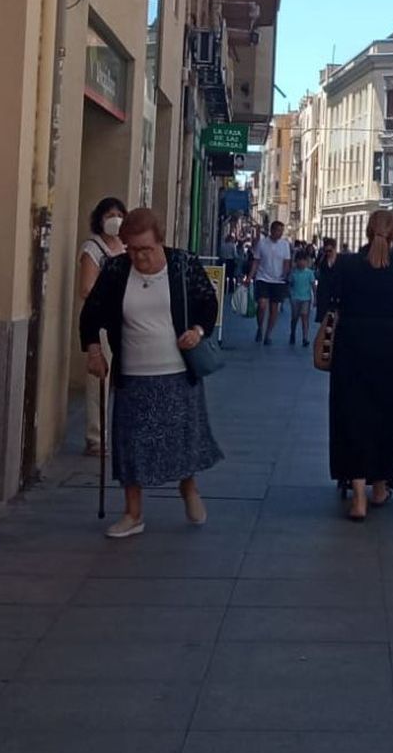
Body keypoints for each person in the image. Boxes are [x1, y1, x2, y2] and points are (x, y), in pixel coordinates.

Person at [80, 208, 223, 538]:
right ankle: (133, 513)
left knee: (181, 439)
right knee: (131, 446)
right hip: (133, 374)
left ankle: (188, 488)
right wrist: (94, 349)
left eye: (147, 249)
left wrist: (198, 331)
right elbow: (92, 314)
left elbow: (208, 303)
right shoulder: (116, 270)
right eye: (132, 249)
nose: (140, 257)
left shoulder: (183, 264)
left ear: (161, 242)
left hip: (176, 370)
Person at [322, 211, 393, 521]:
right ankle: (380, 486)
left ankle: (358, 496)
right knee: (386, 415)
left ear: (366, 231)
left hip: (351, 345)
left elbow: (326, 301)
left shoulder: (347, 264)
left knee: (352, 415)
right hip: (388, 345)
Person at [78, 197, 127, 457]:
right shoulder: (93, 248)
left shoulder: (126, 246)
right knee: (100, 379)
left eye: (119, 213)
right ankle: (96, 437)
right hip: (102, 323)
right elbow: (86, 288)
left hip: (126, 321)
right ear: (99, 218)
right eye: (109, 214)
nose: (115, 218)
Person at [248, 220, 292, 344]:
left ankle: (268, 334)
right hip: (263, 278)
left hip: (278, 281)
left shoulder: (284, 245)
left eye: (281, 231)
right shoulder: (262, 244)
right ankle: (260, 327)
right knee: (262, 305)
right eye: (278, 230)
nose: (280, 233)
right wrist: (249, 277)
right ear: (272, 230)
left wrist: (285, 273)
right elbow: (256, 261)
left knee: (274, 309)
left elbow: (287, 261)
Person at [287, 252, 316, 346]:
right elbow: (289, 283)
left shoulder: (309, 273)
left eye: (304, 261)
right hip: (295, 298)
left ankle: (305, 337)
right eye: (300, 261)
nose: (302, 263)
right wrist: (289, 294)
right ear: (297, 261)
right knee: (294, 318)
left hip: (306, 298)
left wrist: (315, 297)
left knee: (305, 317)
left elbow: (313, 286)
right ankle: (293, 333)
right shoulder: (293, 273)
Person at [314, 238, 340, 324]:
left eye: (330, 250)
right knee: (323, 318)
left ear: (334, 248)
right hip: (323, 290)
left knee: (333, 318)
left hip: (335, 291)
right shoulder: (322, 259)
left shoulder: (340, 260)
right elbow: (317, 269)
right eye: (326, 251)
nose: (328, 253)